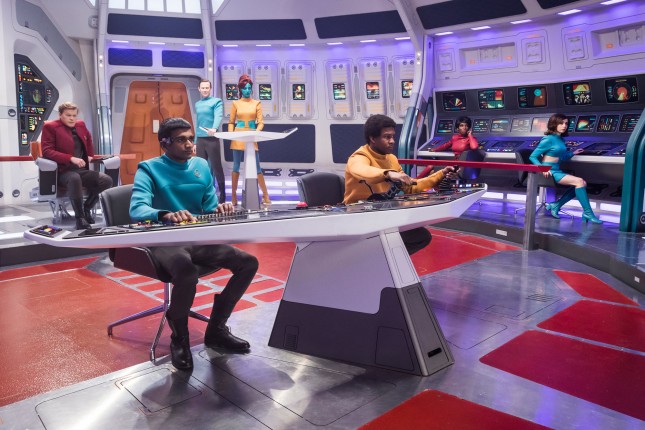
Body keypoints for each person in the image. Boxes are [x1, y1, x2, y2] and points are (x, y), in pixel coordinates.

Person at [130, 117, 259, 370]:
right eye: (181, 140)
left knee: (248, 263)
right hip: (165, 240)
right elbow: (137, 209)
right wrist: (166, 214)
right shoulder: (148, 168)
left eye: (191, 139)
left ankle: (217, 329)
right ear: (165, 143)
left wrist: (220, 208)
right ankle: (179, 339)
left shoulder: (200, 165)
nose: (189, 144)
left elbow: (209, 206)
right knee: (186, 271)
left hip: (197, 238)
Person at [343, 114, 457, 255]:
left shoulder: (391, 159)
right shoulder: (359, 157)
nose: (392, 141)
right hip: (358, 217)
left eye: (393, 136)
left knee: (421, 237)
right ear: (373, 138)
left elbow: (411, 186)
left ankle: (383, 260)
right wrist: (389, 174)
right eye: (387, 137)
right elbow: (362, 171)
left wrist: (441, 174)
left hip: (382, 215)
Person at [41, 102, 113, 230]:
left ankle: (87, 207)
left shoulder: (81, 125)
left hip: (80, 170)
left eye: (74, 115)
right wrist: (70, 158)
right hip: (62, 171)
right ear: (60, 115)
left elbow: (88, 139)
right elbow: (47, 151)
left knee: (106, 180)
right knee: (74, 178)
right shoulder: (50, 127)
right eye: (68, 115)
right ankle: (80, 218)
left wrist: (89, 155)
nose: (72, 118)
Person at [529, 113, 602, 224]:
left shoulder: (561, 139)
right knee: (579, 182)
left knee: (583, 183)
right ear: (554, 124)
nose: (564, 126)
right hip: (549, 172)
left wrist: (573, 153)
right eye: (561, 123)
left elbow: (561, 157)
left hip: (557, 170)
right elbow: (533, 156)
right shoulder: (548, 139)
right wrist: (543, 169)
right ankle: (588, 213)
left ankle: (556, 205)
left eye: (566, 123)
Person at [227, 74, 270, 206]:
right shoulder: (235, 103)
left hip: (252, 136)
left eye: (249, 88)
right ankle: (234, 196)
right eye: (245, 88)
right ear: (240, 89)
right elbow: (231, 122)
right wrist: (231, 135)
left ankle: (265, 195)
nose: (247, 90)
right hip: (238, 136)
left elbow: (261, 122)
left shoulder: (257, 103)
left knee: (257, 166)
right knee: (236, 166)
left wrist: (256, 133)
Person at [195, 78, 226, 203]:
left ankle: (222, 194)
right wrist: (195, 142)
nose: (205, 90)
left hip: (212, 139)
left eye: (207, 88)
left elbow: (218, 115)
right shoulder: (198, 104)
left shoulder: (216, 101)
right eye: (203, 88)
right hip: (200, 140)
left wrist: (214, 128)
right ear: (199, 89)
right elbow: (198, 123)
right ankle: (204, 195)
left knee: (217, 167)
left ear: (210, 88)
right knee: (201, 168)